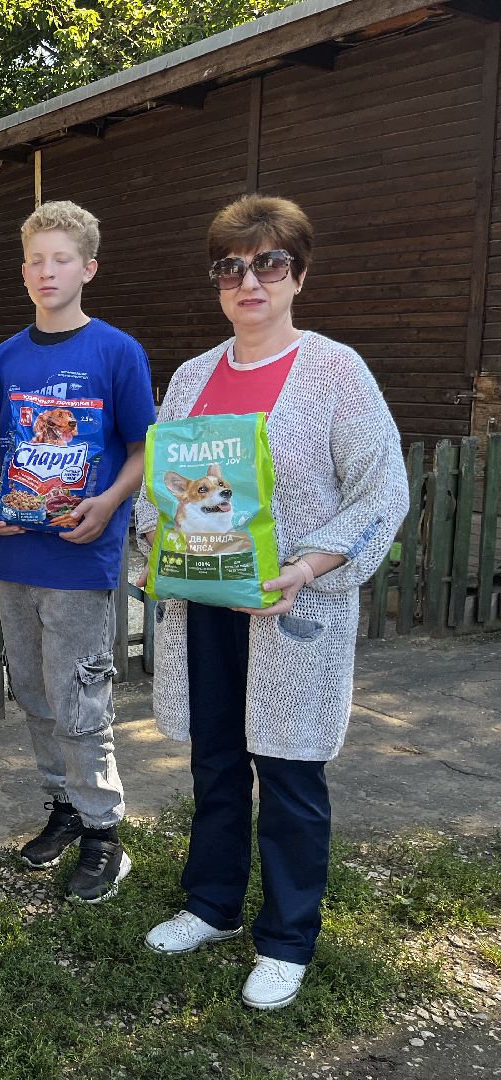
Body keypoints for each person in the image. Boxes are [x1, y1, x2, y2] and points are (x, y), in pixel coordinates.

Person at [134, 195, 408, 1009]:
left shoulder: (334, 371)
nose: (248, 280)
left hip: (291, 610)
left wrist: (308, 566)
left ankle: (287, 936)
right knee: (216, 760)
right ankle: (212, 904)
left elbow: (380, 490)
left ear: (299, 274)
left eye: (268, 264)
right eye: (231, 267)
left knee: (288, 771)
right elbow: (161, 484)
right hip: (205, 605)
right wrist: (159, 548)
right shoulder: (191, 377)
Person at [0, 200, 154, 903]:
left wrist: (108, 503)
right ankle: (66, 808)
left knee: (81, 699)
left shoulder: (116, 351)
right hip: (15, 559)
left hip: (81, 559)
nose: (47, 272)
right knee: (38, 697)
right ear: (23, 273)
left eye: (61, 259)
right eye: (36, 261)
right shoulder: (2, 359)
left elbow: (143, 449)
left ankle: (107, 834)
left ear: (88, 268)